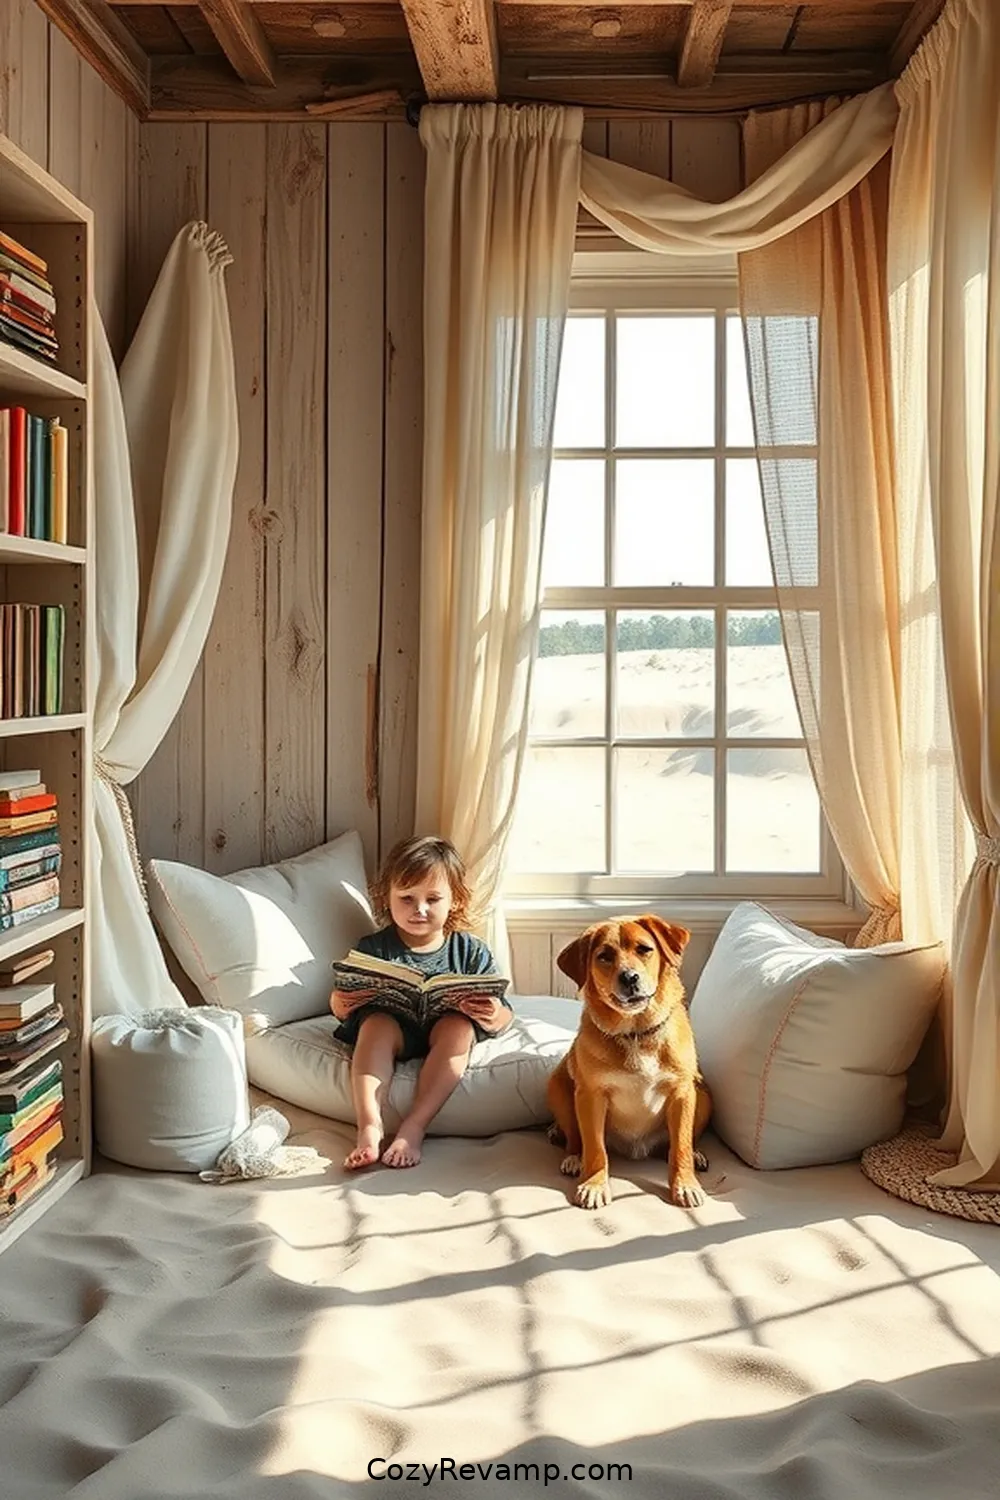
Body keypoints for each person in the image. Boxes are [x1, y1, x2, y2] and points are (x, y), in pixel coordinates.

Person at [331, 835, 513, 1170]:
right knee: (375, 1024)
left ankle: (414, 1126)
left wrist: (492, 1014)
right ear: (386, 897)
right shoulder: (374, 948)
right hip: (394, 1028)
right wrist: (342, 1003)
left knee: (459, 1028)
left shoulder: (470, 951)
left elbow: (504, 1016)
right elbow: (342, 1002)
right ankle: (369, 1126)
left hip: (443, 1031)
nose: (420, 909)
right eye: (407, 898)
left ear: (455, 900)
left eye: (433, 898)